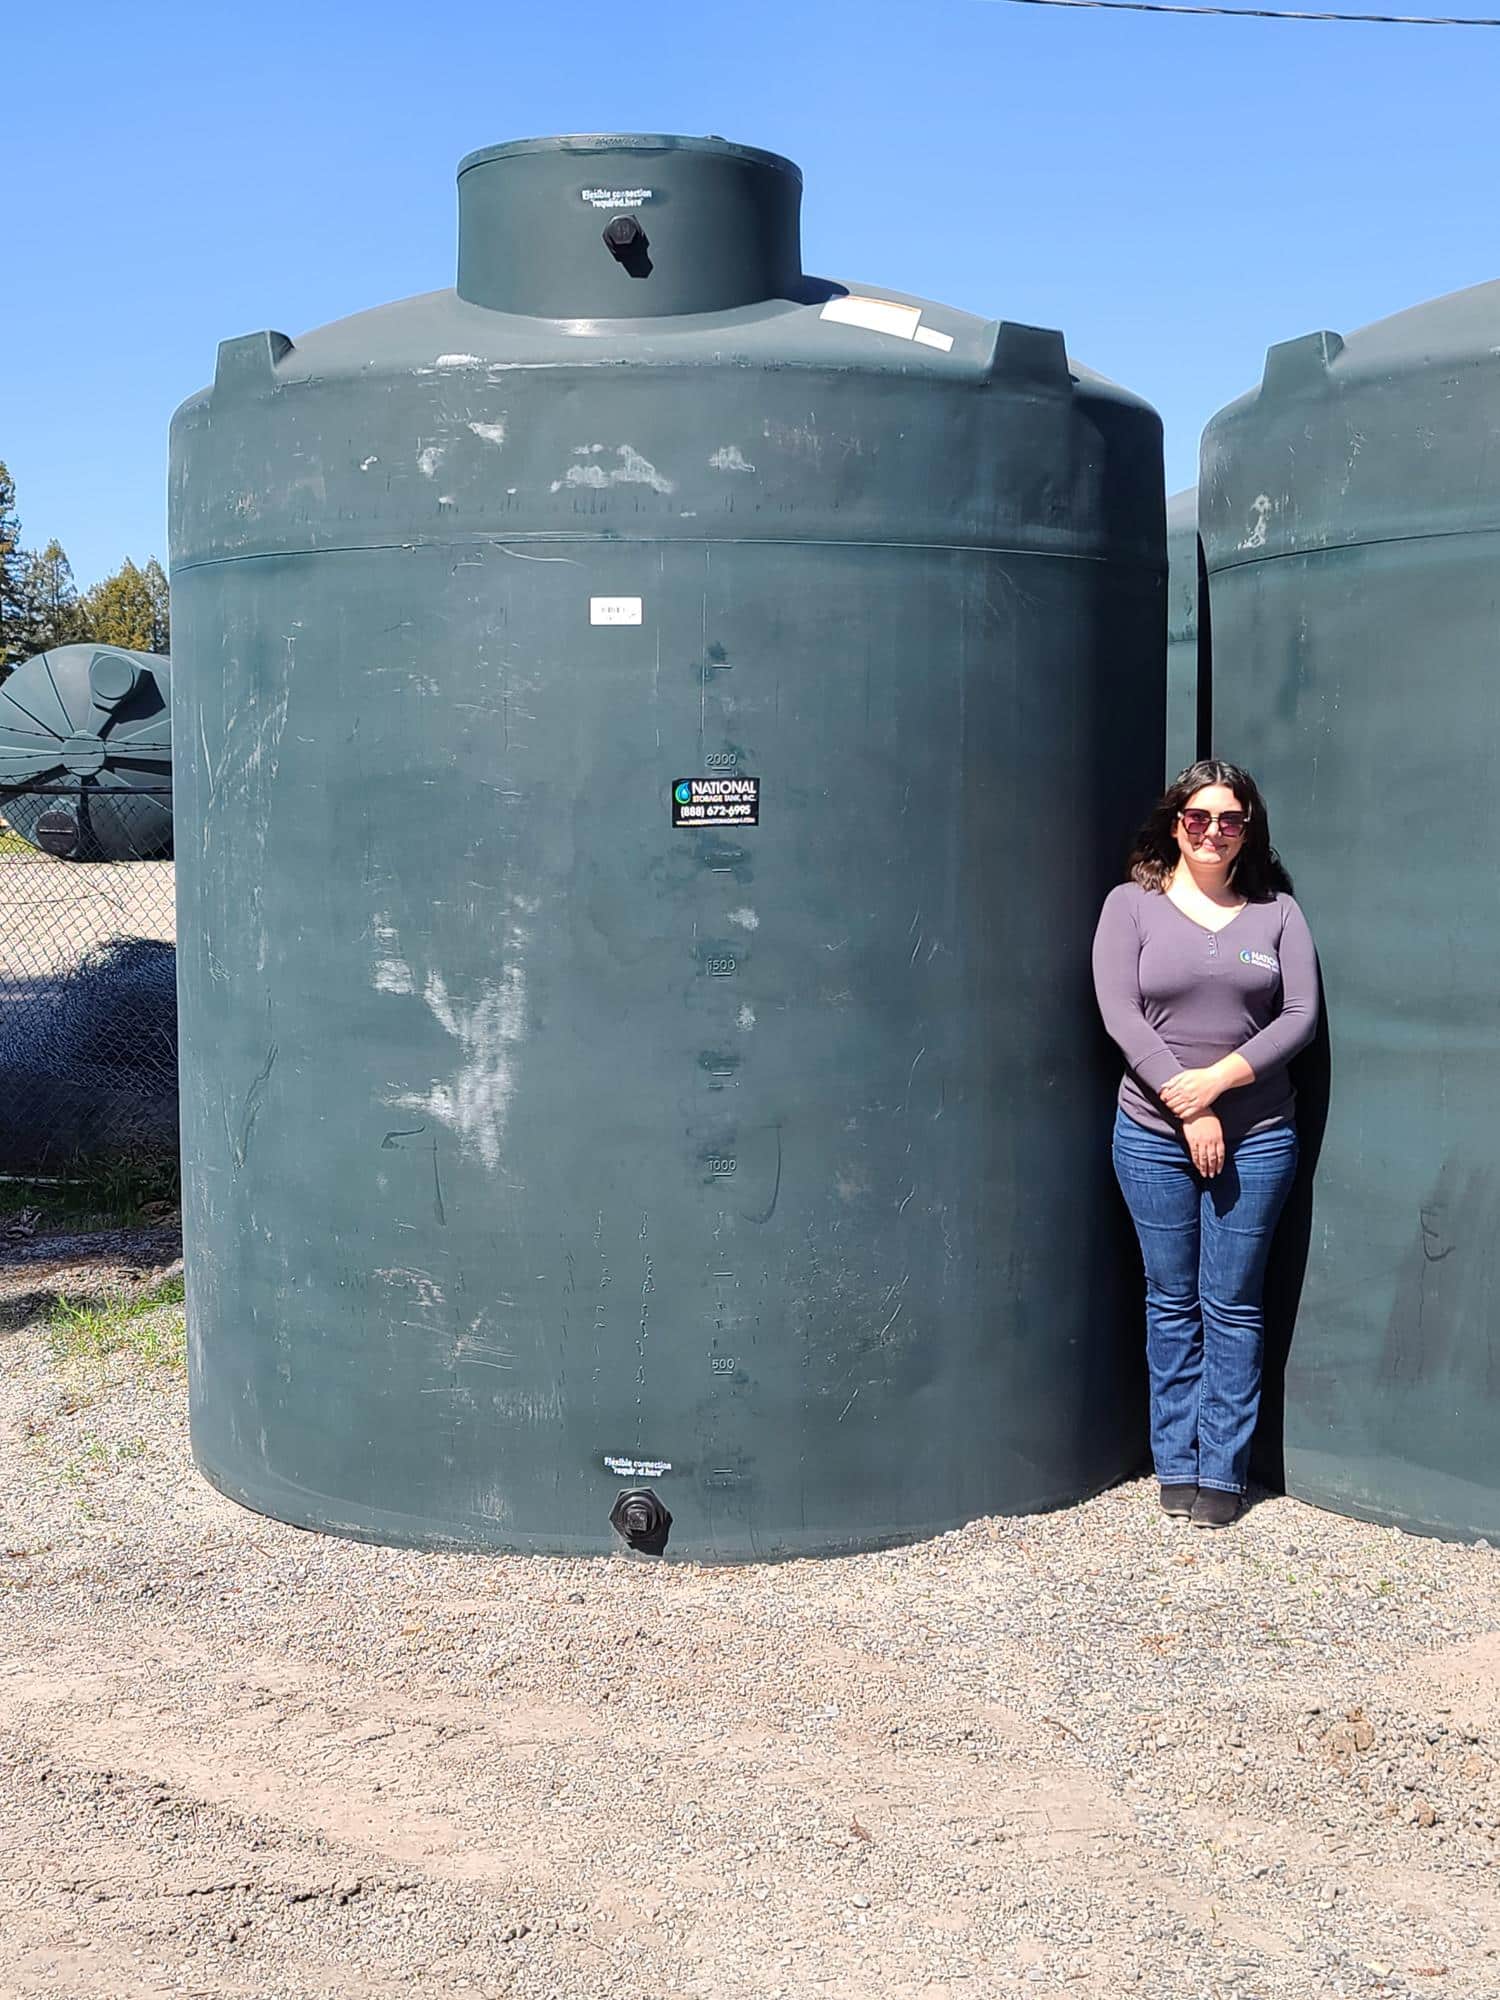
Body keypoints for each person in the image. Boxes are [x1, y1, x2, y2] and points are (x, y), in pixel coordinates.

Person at [1091, 759, 1318, 1530]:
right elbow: (1121, 1013)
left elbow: (1298, 1016)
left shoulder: (1277, 914)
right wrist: (1187, 1107)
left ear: (1248, 830)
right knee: (1171, 1298)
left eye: (1229, 819)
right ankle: (1177, 1462)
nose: (1212, 832)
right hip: (1152, 1134)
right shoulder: (1132, 907)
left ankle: (1223, 1470)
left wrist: (1216, 1084)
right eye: (1197, 817)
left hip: (1258, 1135)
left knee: (1233, 1301)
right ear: (1174, 823)